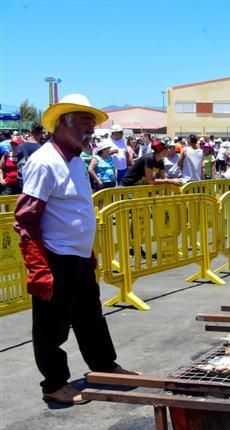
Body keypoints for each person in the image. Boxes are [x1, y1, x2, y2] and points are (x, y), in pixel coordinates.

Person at [13, 93, 139, 406]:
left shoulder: (75, 161)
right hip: (55, 256)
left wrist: (89, 250)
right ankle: (54, 384)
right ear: (64, 123)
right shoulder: (45, 162)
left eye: (92, 124)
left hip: (78, 256)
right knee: (51, 326)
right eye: (85, 123)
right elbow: (26, 218)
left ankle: (104, 366)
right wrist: (39, 268)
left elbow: (76, 210)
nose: (91, 130)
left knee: (90, 317)